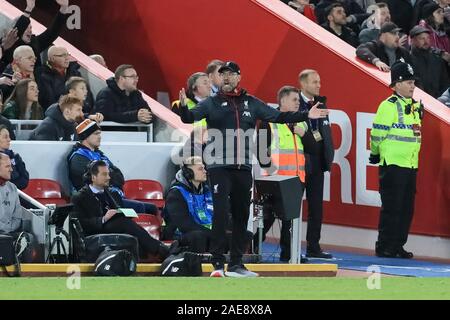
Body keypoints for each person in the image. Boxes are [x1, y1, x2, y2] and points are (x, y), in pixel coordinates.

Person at [177, 61, 329, 277]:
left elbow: (279, 116)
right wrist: (184, 106)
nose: (226, 77)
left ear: (239, 77)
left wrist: (307, 115)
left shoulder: (251, 102)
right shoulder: (211, 103)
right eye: (223, 74)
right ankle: (218, 264)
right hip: (219, 166)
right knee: (220, 214)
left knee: (241, 214)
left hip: (243, 168)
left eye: (230, 74)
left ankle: (237, 264)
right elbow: (188, 117)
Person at [369, 60, 423, 259]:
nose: (412, 85)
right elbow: (377, 134)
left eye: (413, 82)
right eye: (408, 82)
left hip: (410, 164)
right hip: (392, 164)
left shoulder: (415, 107)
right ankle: (384, 246)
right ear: (397, 84)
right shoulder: (388, 106)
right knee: (392, 208)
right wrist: (375, 153)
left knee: (406, 209)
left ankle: (398, 245)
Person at [71, 160, 175, 260]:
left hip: (115, 226)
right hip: (96, 230)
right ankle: (160, 250)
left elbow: (118, 211)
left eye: (108, 174)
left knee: (127, 223)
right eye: (104, 174)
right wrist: (103, 219)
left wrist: (124, 213)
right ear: (93, 177)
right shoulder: (80, 197)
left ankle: (152, 252)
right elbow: (82, 224)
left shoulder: (113, 194)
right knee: (124, 224)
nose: (108, 177)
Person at [254, 86, 307, 263]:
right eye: (294, 100)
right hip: (276, 181)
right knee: (268, 218)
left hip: (296, 179)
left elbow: (313, 148)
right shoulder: (268, 122)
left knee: (290, 221)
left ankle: (289, 253)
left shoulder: (301, 123)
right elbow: (261, 151)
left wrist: (304, 135)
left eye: (299, 100)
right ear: (283, 101)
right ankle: (253, 247)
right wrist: (272, 173)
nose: (298, 103)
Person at [67, 118, 158, 215]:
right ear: (86, 136)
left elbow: (119, 177)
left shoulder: (99, 154)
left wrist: (109, 176)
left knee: (152, 208)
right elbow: (95, 182)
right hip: (95, 201)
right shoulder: (78, 158)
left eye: (99, 133)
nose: (100, 137)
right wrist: (110, 175)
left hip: (111, 196)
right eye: (96, 134)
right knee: (140, 207)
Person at [298, 70, 334, 259]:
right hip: (300, 161)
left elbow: (325, 133)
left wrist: (328, 157)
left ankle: (313, 246)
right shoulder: (295, 103)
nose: (319, 85)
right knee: (292, 206)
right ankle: (290, 247)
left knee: (316, 207)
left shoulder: (321, 103)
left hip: (317, 162)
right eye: (314, 82)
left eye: (319, 81)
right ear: (303, 84)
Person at [0, 0, 71, 69]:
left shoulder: (34, 43)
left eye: (31, 28)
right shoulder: (7, 45)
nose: (30, 31)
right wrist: (29, 9)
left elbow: (52, 32)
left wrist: (63, 8)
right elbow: (17, 31)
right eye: (26, 28)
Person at [163, 156, 213, 253]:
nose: (205, 171)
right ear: (188, 173)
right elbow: (185, 225)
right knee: (198, 236)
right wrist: (213, 234)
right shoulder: (176, 193)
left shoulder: (208, 191)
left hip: (204, 231)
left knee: (241, 235)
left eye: (204, 168)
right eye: (200, 169)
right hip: (180, 234)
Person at [0, 152, 34, 262]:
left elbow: (17, 216)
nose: (11, 170)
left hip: (8, 232)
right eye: (7, 166)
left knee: (28, 238)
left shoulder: (13, 188)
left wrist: (7, 231)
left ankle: (23, 273)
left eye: (11, 166)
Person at [38, 46, 95, 112]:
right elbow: (49, 101)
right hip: (60, 115)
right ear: (52, 58)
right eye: (62, 55)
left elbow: (88, 96)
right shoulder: (43, 76)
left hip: (81, 113)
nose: (67, 58)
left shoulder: (75, 73)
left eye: (68, 55)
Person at [409, 25, 449, 98]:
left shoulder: (437, 59)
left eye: (427, 38)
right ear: (413, 41)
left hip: (439, 101)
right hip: (418, 100)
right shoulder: (408, 60)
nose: (426, 41)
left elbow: (445, 82)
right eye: (422, 38)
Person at [0, 125, 29, 190]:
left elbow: (25, 180)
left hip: (16, 194)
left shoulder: (15, 156)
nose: (9, 140)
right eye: (5, 137)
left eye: (9, 137)